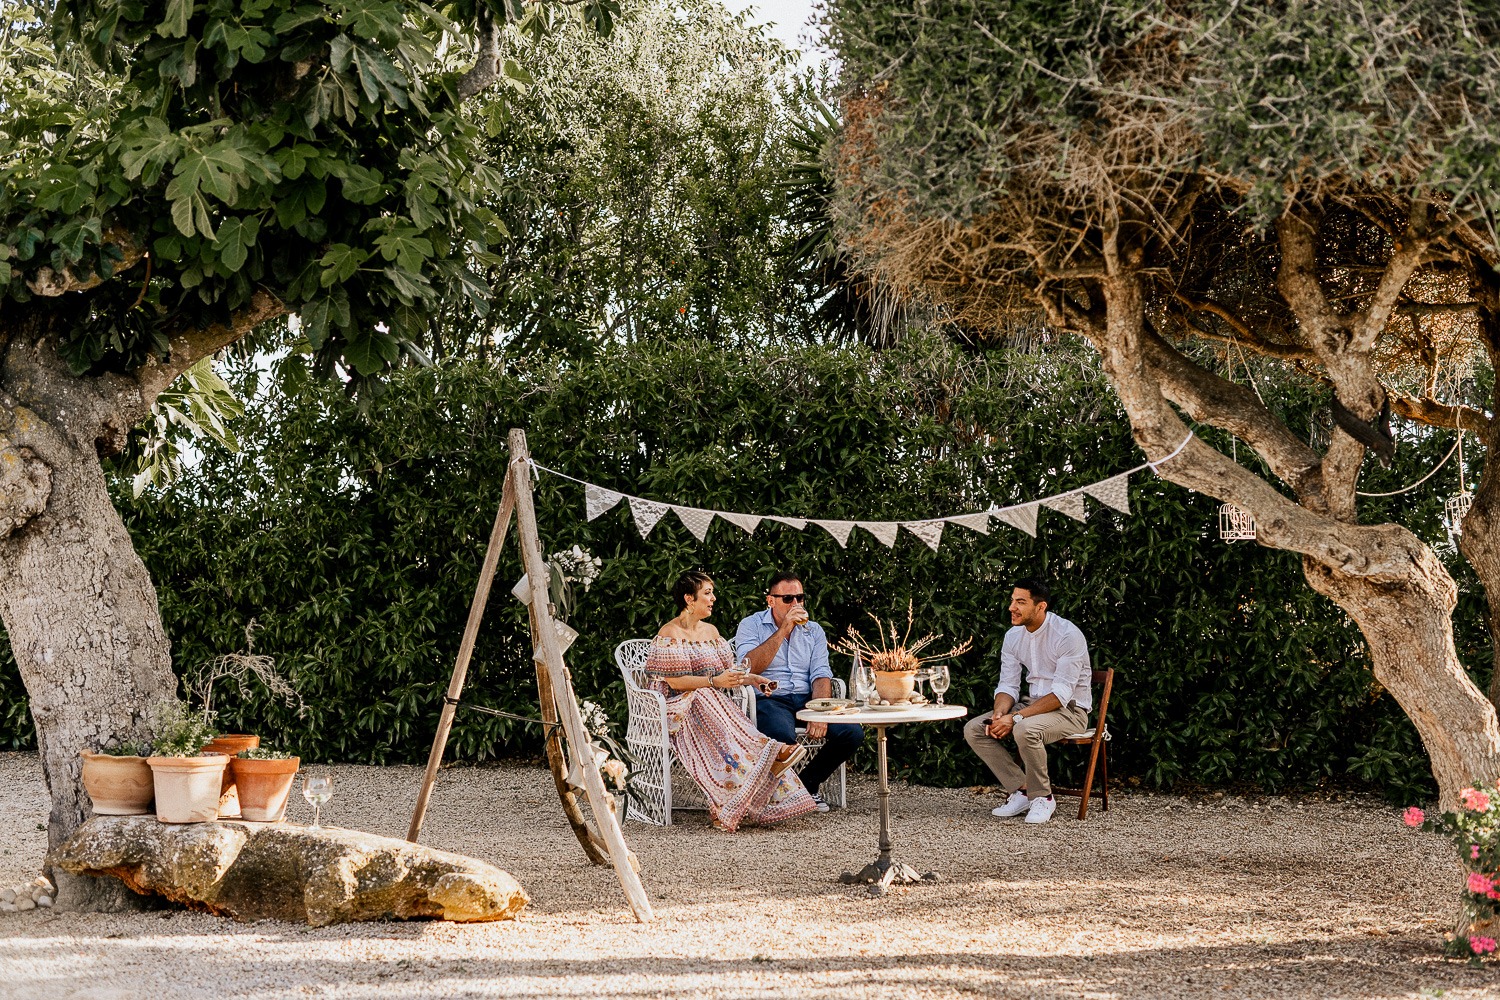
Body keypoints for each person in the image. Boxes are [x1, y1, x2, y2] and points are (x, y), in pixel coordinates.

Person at [644, 570, 818, 831]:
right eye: (707, 593)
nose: (713, 598)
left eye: (712, 592)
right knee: (708, 698)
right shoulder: (670, 632)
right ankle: (770, 752)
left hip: (709, 704)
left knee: (725, 729)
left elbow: (730, 673)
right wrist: (715, 683)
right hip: (674, 706)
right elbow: (676, 682)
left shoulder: (711, 632)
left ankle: (733, 798)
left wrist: (755, 679)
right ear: (689, 599)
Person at [963, 578, 1092, 825]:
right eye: (1012, 600)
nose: (1012, 607)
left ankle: (1043, 796)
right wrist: (1000, 714)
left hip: (1070, 710)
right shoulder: (1013, 636)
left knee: (1024, 728)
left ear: (1040, 606)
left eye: (1020, 602)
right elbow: (1008, 685)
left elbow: (1061, 694)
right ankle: (1022, 790)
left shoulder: (1067, 635)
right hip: (1031, 704)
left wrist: (1017, 717)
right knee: (975, 729)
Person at [735, 571, 864, 812]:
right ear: (770, 600)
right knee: (781, 735)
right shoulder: (751, 625)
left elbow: (821, 673)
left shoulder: (813, 630)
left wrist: (820, 711)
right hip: (771, 697)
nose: (795, 604)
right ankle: (785, 795)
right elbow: (749, 667)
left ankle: (807, 786)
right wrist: (784, 629)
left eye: (800, 598)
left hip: (806, 699)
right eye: (788, 599)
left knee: (852, 732)